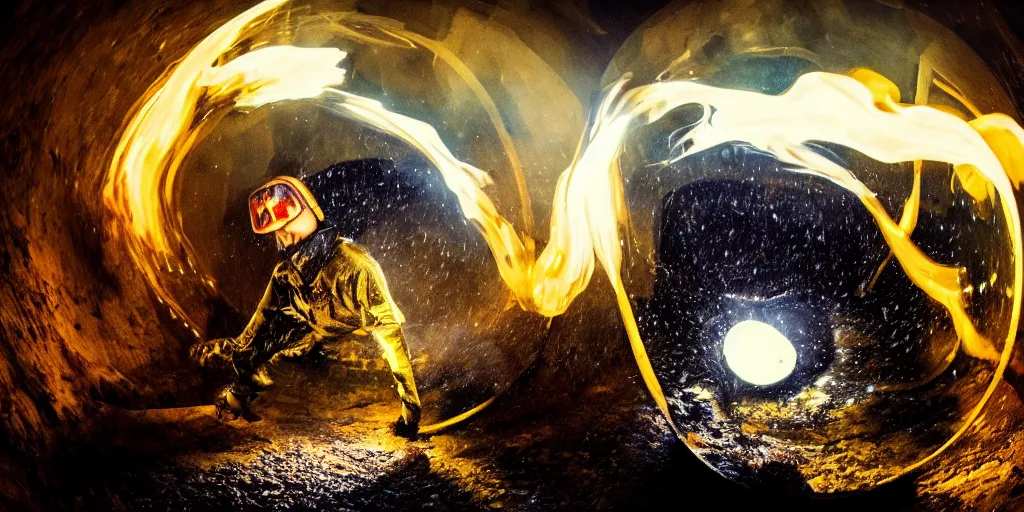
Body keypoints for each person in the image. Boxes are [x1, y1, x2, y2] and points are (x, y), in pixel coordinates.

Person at [192, 175, 421, 438]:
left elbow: (391, 336)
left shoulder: (355, 268)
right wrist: (232, 349)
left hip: (354, 349)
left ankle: (241, 399)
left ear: (309, 213)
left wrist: (410, 412)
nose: (284, 237)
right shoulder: (285, 274)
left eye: (288, 225)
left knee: (289, 351)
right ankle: (235, 402)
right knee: (274, 345)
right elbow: (259, 325)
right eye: (278, 230)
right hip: (314, 343)